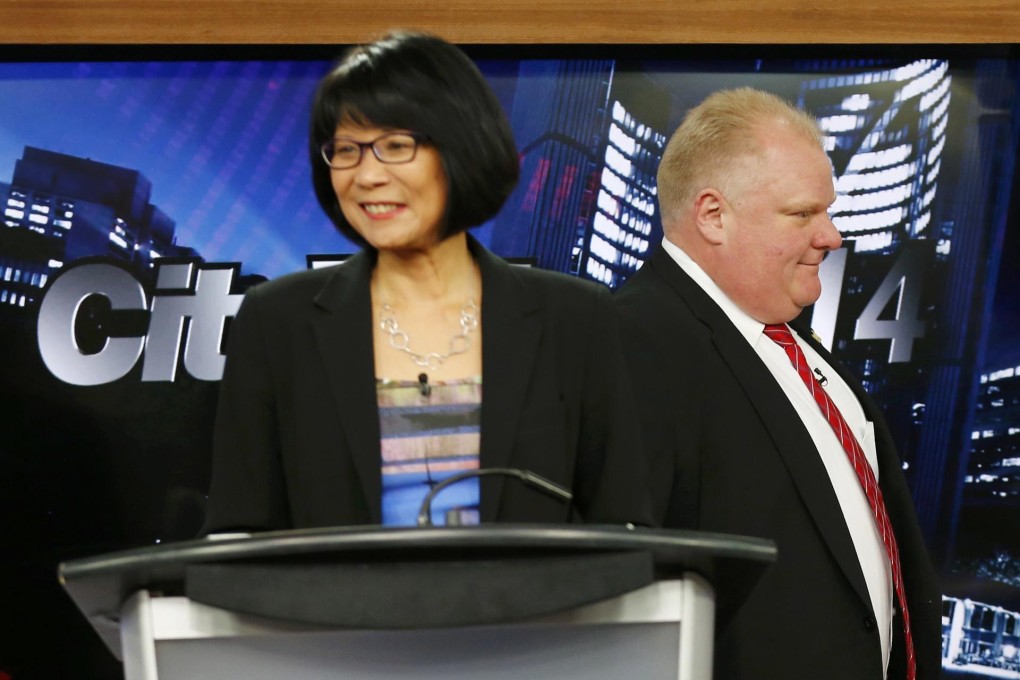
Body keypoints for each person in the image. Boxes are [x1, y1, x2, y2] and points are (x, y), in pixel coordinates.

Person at [203, 31, 650, 532]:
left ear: (462, 148)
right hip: (336, 611)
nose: (366, 175)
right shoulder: (276, 321)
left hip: (529, 611)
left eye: (396, 145)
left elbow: (623, 526)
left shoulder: (574, 319)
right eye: (346, 150)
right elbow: (237, 533)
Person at [614, 88, 941, 679]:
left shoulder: (793, 342)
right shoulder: (630, 342)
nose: (832, 237)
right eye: (802, 214)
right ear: (713, 216)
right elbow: (624, 594)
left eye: (828, 211)